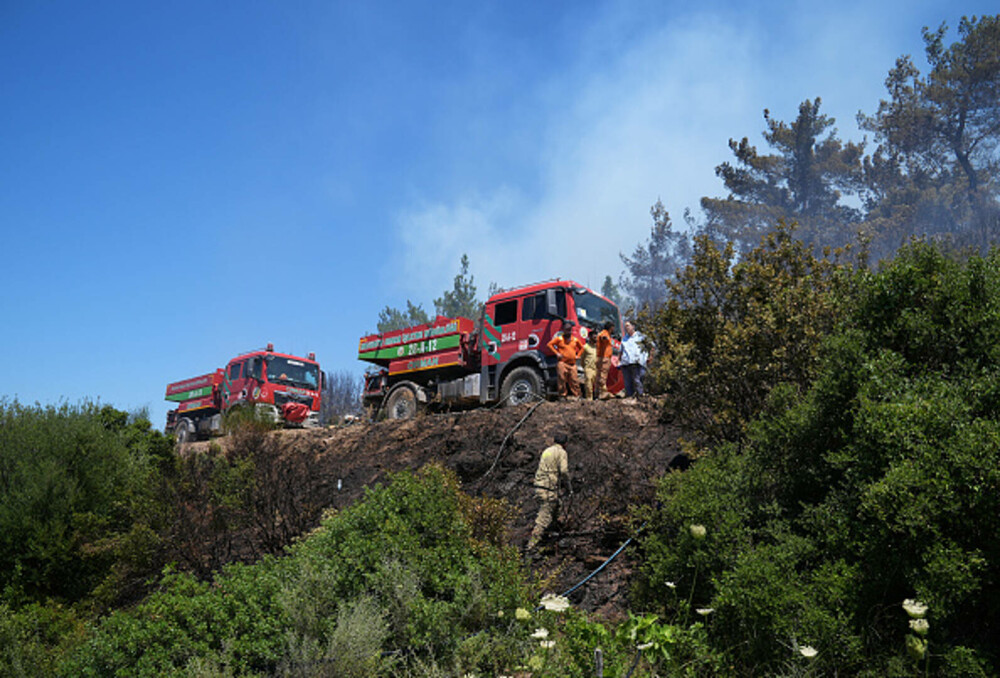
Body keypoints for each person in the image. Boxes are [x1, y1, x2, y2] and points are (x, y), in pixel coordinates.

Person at [527, 431, 572, 550]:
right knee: (543, 519)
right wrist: (568, 486)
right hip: (548, 489)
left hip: (539, 486)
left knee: (558, 507)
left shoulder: (546, 451)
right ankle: (531, 547)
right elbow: (563, 471)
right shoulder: (561, 452)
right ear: (565, 444)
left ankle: (553, 537)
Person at [547, 321, 584, 398]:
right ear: (564, 330)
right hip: (562, 363)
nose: (568, 331)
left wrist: (578, 355)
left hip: (572, 364)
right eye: (566, 329)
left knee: (575, 381)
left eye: (569, 329)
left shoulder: (575, 340)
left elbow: (582, 348)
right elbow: (549, 345)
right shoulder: (559, 339)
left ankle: (578, 396)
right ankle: (562, 396)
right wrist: (556, 353)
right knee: (561, 379)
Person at [619, 320, 648, 397]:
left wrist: (649, 357)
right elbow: (621, 351)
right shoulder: (624, 339)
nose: (626, 328)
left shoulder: (641, 337)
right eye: (625, 326)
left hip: (637, 363)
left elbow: (651, 346)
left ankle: (640, 396)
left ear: (633, 326)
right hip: (626, 363)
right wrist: (619, 361)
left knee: (637, 381)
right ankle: (629, 397)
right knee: (627, 382)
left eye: (628, 326)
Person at [595, 320, 615, 399]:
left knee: (599, 375)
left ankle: (597, 393)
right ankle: (602, 393)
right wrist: (605, 338)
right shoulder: (604, 333)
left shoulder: (606, 333)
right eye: (613, 328)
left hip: (602, 357)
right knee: (603, 375)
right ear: (610, 328)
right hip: (604, 358)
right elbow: (603, 337)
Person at [580, 332, 598, 400]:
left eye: (596, 337)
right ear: (590, 337)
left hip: (596, 368)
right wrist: (585, 367)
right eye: (594, 337)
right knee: (588, 384)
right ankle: (589, 399)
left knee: (596, 385)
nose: (595, 339)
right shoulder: (585, 347)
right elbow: (582, 359)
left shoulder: (598, 347)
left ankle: (596, 398)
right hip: (588, 368)